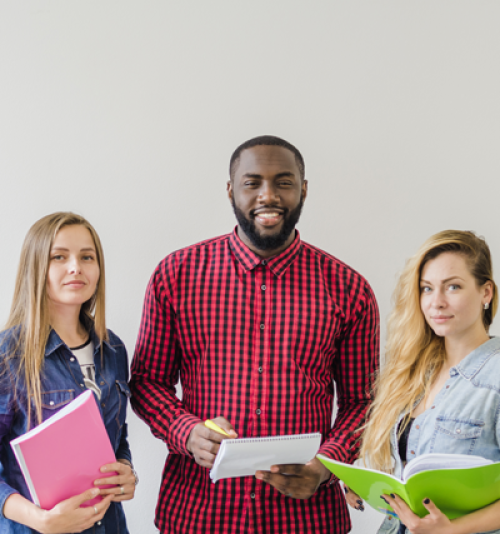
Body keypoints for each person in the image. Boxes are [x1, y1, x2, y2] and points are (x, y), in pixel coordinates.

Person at [129, 135, 379, 533]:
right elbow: (146, 382)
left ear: (303, 189)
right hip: (199, 512)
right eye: (252, 182)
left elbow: (362, 403)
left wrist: (326, 465)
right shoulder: (176, 275)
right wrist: (185, 432)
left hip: (307, 518)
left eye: (283, 182)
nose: (269, 195)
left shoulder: (348, 290)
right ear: (231, 190)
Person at [346, 230, 500, 534]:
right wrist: (369, 484)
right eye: (427, 289)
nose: (437, 302)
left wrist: (451, 529)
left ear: (486, 293)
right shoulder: (416, 370)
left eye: (453, 287)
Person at [0, 212, 137, 534]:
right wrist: (39, 519)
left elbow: (116, 437)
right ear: (36, 268)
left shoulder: (112, 348)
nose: (76, 267)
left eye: (87, 257)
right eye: (59, 257)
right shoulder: (9, 354)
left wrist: (126, 472)